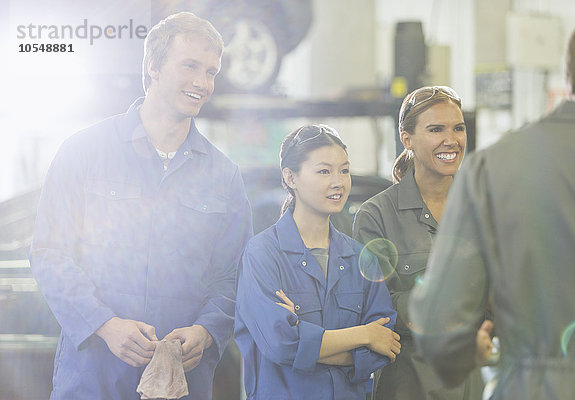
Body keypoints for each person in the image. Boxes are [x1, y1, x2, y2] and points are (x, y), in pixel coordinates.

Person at [29, 12, 253, 400]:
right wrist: (106, 325)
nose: (202, 82)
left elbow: (235, 276)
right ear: (152, 66)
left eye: (211, 71)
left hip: (182, 383)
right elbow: (50, 254)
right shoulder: (83, 153)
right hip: (93, 379)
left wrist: (207, 329)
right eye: (190, 66)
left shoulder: (224, 176)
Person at [408, 8, 575, 399]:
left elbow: (440, 331)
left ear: (571, 74)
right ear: (407, 138)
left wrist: (470, 350)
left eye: (457, 127)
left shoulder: (492, 169)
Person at [234, 124, 401, 399]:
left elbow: (383, 349)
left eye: (344, 170)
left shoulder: (362, 259)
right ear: (290, 177)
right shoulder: (262, 254)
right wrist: (364, 335)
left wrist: (304, 338)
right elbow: (280, 344)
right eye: (324, 171)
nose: (338, 181)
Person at [353, 86, 485, 399]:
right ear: (407, 138)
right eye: (435, 129)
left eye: (458, 128)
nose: (451, 140)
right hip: (410, 385)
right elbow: (373, 307)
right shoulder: (376, 215)